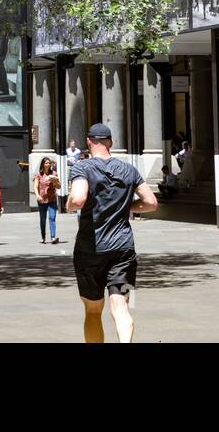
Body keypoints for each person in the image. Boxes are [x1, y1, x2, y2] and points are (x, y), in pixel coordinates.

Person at [67, 123, 157, 342]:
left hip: (91, 249)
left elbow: (78, 199)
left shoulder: (82, 168)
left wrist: (69, 204)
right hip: (123, 249)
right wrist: (128, 207)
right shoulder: (129, 170)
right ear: (111, 143)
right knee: (121, 307)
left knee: (93, 309)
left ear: (88, 142)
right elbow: (151, 203)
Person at [34, 157, 60, 244]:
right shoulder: (39, 175)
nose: (48, 164)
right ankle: (43, 237)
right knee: (43, 219)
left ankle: (53, 237)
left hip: (52, 199)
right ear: (43, 164)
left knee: (52, 218)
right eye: (46, 163)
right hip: (42, 200)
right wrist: (37, 195)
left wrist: (55, 181)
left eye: (49, 163)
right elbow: (35, 186)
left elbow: (59, 186)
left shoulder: (54, 173)